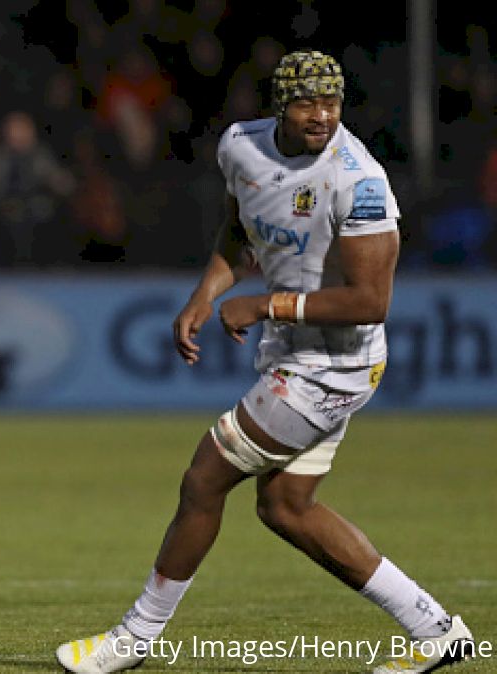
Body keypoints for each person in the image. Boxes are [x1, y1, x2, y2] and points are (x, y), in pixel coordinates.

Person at [56, 50, 475, 674]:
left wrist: (265, 305)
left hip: (333, 368)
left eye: (332, 102)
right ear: (279, 105)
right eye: (307, 102)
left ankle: (135, 638)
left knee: (205, 478)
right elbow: (240, 230)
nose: (321, 115)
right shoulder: (239, 146)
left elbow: (372, 301)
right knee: (286, 508)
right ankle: (437, 631)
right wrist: (206, 294)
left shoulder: (359, 181)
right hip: (300, 357)